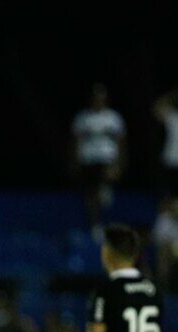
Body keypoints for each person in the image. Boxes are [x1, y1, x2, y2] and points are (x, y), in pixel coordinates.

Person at [72, 85, 126, 232]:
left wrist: (120, 162)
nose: (98, 102)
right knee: (91, 194)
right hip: (88, 158)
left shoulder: (113, 118)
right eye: (95, 99)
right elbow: (76, 141)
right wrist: (75, 160)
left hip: (107, 157)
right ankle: (95, 225)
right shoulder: (83, 117)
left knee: (104, 182)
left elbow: (121, 142)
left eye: (101, 99)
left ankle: (106, 187)